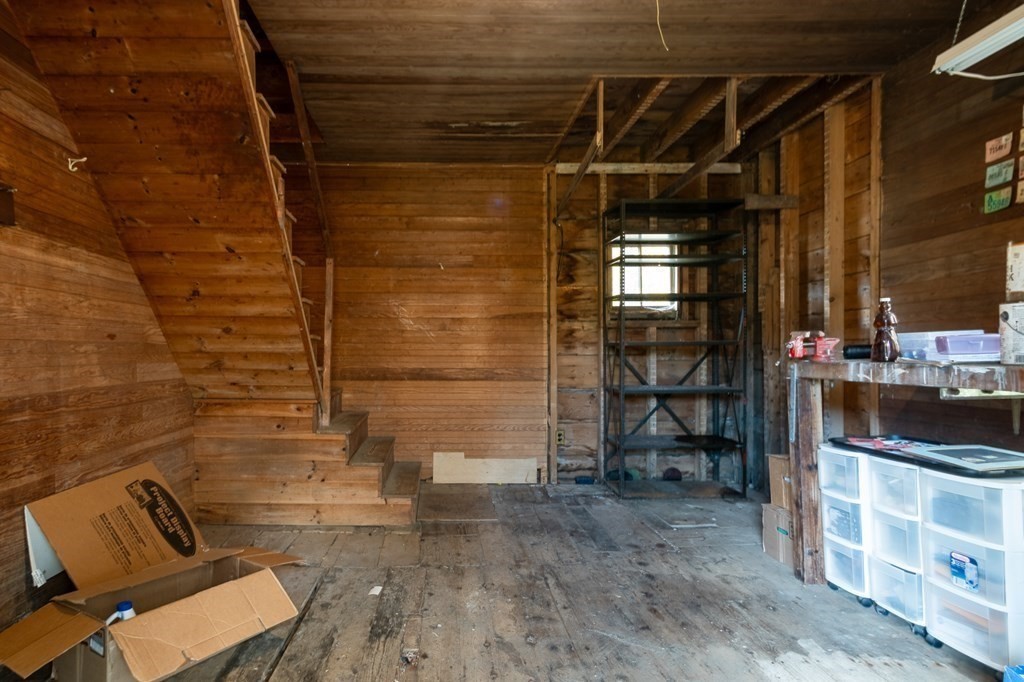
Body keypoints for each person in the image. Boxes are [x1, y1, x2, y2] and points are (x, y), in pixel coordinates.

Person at [871, 297, 900, 362]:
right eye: (883, 304)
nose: (884, 306)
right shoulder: (878, 316)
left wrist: (888, 327)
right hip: (880, 334)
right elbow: (875, 324)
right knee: (880, 344)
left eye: (886, 304)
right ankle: (880, 356)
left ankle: (892, 356)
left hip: (890, 333)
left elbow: (894, 323)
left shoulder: (891, 315)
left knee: (892, 344)